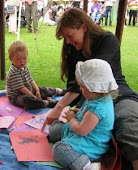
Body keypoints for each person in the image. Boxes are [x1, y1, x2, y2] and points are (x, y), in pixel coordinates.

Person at [42, 8, 138, 170]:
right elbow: (75, 84)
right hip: (90, 99)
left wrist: (60, 107)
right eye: (65, 38)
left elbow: (92, 79)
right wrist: (73, 111)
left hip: (118, 94)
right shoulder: (73, 48)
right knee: (59, 129)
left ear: (84, 27)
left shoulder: (107, 40)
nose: (67, 41)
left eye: (69, 36)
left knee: (130, 128)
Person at [48, 59, 118, 169]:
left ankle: (87, 166)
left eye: (82, 87)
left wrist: (71, 119)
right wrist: (78, 112)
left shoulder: (98, 108)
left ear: (94, 88)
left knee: (59, 149)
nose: (80, 89)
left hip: (91, 144)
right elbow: (87, 114)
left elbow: (82, 130)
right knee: (54, 128)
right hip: (81, 133)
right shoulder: (96, 98)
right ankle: (66, 141)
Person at [6, 40, 65, 109]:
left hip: (28, 90)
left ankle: (59, 91)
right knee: (27, 100)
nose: (22, 61)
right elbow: (21, 88)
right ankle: (47, 103)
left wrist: (37, 90)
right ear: (11, 58)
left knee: (42, 89)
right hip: (17, 96)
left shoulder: (24, 67)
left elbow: (31, 80)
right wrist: (32, 96)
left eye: (24, 58)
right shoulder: (14, 72)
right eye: (18, 59)